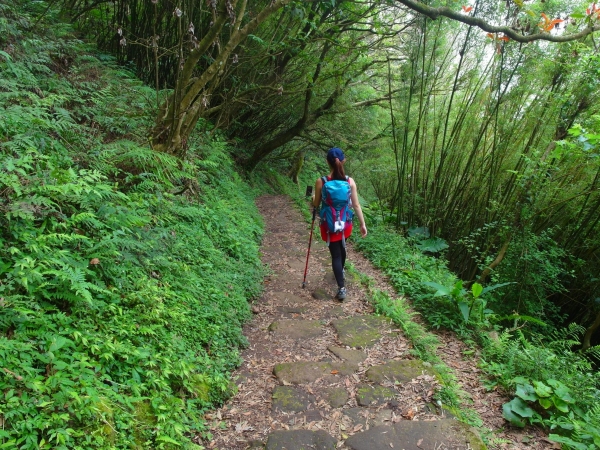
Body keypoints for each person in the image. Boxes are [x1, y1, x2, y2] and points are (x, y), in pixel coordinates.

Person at [312, 147, 367, 300]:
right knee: (342, 247)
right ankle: (341, 272)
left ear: (327, 162)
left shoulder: (321, 181)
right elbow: (356, 205)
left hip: (329, 225)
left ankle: (341, 287)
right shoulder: (349, 181)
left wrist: (313, 198)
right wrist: (363, 224)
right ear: (343, 161)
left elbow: (316, 204)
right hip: (345, 223)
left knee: (335, 254)